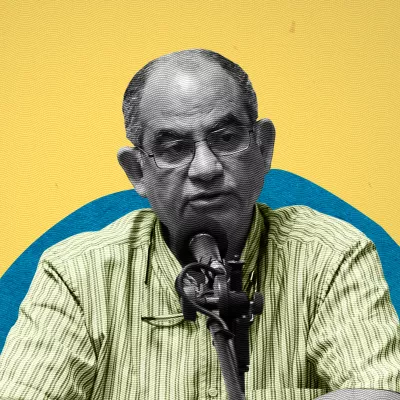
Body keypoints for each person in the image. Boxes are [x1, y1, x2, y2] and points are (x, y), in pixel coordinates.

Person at [0, 49, 399, 400]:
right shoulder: (75, 273)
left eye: (226, 138)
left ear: (263, 147)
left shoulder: (330, 254)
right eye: (174, 148)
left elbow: (378, 391)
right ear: (137, 171)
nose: (206, 168)